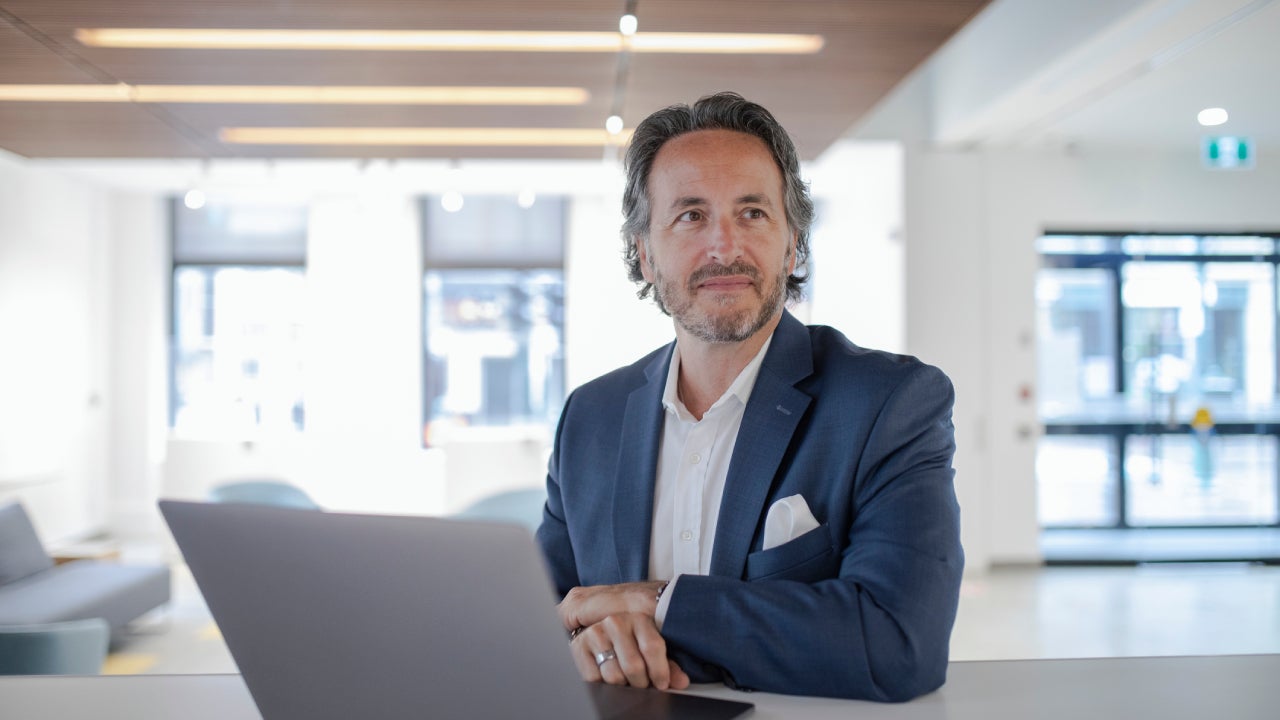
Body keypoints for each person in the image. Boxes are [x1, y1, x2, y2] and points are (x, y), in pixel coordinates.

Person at [535, 91, 963, 702]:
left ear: (793, 245)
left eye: (753, 213)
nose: (725, 247)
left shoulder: (889, 405)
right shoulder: (590, 417)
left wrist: (661, 603)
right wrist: (584, 645)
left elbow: (899, 642)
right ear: (645, 254)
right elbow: (547, 621)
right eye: (691, 215)